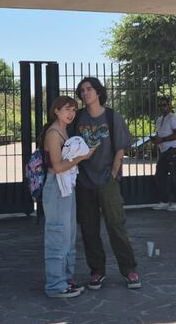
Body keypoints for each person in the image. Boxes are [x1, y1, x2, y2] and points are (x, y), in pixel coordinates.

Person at [73, 77, 141, 290]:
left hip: (107, 180)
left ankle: (129, 269)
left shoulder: (112, 116)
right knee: (89, 228)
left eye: (89, 89)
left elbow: (121, 147)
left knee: (116, 225)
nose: (85, 93)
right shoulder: (77, 119)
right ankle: (97, 271)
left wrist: (113, 171)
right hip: (84, 181)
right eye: (82, 90)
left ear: (99, 92)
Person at [41, 95, 96, 298]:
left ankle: (66, 277)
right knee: (58, 233)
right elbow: (57, 167)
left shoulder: (64, 130)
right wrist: (83, 157)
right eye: (66, 109)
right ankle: (55, 284)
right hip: (56, 186)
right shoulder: (54, 133)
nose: (71, 114)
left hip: (66, 185)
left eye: (73, 110)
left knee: (69, 233)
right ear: (56, 111)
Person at [152, 95, 176, 212]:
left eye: (164, 105)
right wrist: (157, 140)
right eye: (160, 105)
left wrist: (163, 139)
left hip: (173, 150)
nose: (162, 107)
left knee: (174, 176)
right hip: (164, 151)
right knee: (160, 176)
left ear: (169, 106)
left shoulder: (173, 118)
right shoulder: (159, 119)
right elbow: (162, 135)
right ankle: (165, 201)